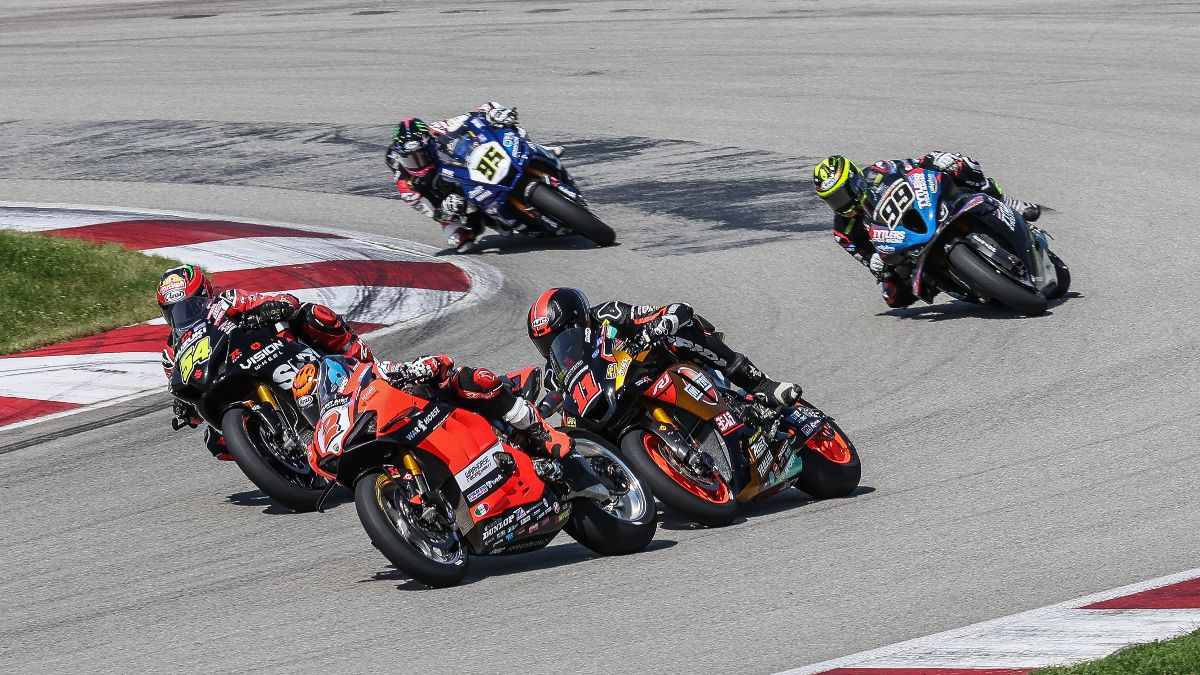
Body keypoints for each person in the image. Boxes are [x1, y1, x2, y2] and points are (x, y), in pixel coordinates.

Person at [304, 353, 609, 499]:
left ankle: (541, 432)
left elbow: (438, 362)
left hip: (448, 407)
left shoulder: (375, 375)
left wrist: (419, 368)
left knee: (471, 380)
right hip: (417, 442)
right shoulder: (334, 426)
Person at [156, 264, 373, 459]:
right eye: (174, 311)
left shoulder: (227, 301)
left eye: (191, 306)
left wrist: (275, 307)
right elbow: (192, 403)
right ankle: (280, 461)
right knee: (216, 443)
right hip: (224, 388)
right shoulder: (170, 354)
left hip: (271, 352)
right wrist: (185, 407)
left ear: (206, 294)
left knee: (313, 315)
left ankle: (371, 369)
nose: (183, 315)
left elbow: (284, 301)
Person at [812, 153, 1042, 308]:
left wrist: (935, 160)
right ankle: (955, 280)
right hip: (901, 247)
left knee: (959, 167)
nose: (841, 204)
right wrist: (875, 264)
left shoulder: (878, 172)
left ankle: (1009, 202)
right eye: (833, 200)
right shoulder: (843, 230)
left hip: (926, 211)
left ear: (854, 180)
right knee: (893, 298)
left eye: (841, 195)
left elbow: (913, 165)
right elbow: (864, 256)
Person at [526, 288, 802, 408]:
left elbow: (677, 309)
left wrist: (660, 325)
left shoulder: (608, 314)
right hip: (620, 399)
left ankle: (762, 385)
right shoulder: (555, 373)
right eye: (546, 344)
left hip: (660, 364)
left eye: (561, 336)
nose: (556, 347)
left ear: (579, 319)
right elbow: (562, 405)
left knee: (684, 329)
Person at [385, 102, 562, 253]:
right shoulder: (407, 188)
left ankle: (538, 150)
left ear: (428, 142)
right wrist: (446, 210)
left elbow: (474, 116)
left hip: (470, 166)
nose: (417, 164)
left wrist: (494, 114)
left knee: (509, 129)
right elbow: (435, 215)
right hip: (454, 198)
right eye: (409, 160)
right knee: (459, 241)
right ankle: (494, 219)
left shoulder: (437, 130)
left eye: (419, 156)